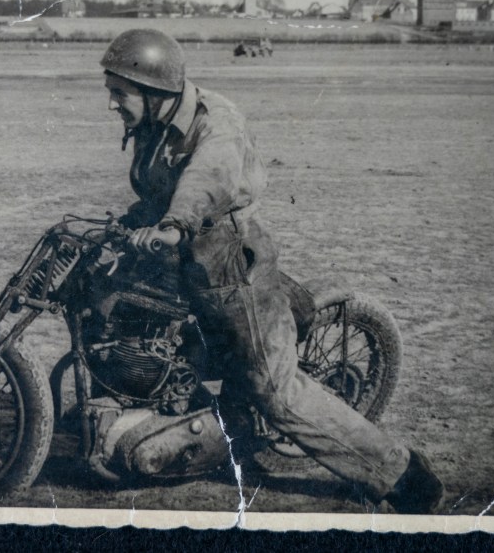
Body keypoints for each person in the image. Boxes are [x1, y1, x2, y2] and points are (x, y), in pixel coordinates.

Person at [99, 28, 444, 514]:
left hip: (228, 258)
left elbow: (208, 175)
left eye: (120, 93)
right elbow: (159, 186)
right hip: (184, 251)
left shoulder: (216, 122)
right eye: (110, 92)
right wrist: (137, 222)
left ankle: (401, 474)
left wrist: (175, 223)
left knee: (276, 393)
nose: (112, 103)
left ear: (155, 93)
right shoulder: (153, 124)